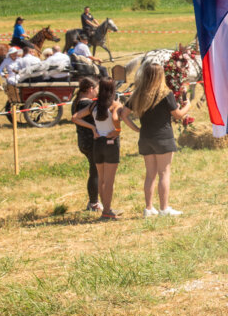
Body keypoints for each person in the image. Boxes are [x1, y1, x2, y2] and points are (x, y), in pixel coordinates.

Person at [122, 63, 193, 217]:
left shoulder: (138, 93)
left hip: (145, 137)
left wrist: (136, 129)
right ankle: (164, 208)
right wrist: (188, 105)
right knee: (164, 173)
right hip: (163, 138)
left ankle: (148, 208)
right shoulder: (165, 94)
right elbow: (178, 115)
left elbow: (123, 114)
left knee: (150, 175)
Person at [72, 77, 124, 220]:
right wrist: (118, 129)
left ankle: (104, 207)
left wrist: (93, 128)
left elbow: (75, 117)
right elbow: (115, 118)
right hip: (105, 143)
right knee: (107, 180)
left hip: (95, 143)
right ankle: (104, 208)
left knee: (100, 178)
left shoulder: (91, 105)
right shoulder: (109, 104)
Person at [72, 77, 102, 212]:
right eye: (96, 89)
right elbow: (76, 119)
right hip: (90, 140)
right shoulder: (86, 103)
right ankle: (94, 202)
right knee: (95, 172)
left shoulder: (77, 100)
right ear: (90, 89)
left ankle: (94, 201)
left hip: (84, 140)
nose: (97, 92)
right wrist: (92, 127)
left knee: (94, 171)